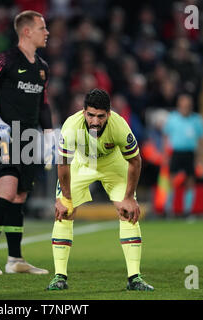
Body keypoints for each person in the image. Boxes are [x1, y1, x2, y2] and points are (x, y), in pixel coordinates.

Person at [47, 88, 154, 291]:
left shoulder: (120, 126)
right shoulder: (71, 127)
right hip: (81, 163)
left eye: (100, 116)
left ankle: (135, 278)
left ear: (109, 114)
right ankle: (59, 277)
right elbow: (62, 164)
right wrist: (65, 198)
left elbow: (135, 161)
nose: (95, 121)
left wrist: (130, 197)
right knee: (65, 211)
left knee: (128, 211)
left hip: (113, 164)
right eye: (91, 115)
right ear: (83, 112)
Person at [0, 10, 53, 275]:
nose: (47, 32)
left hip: (29, 138)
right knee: (7, 193)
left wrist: (50, 134)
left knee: (19, 197)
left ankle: (15, 260)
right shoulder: (5, 59)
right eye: (42, 28)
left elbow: (43, 104)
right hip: (5, 135)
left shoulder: (42, 67)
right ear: (27, 31)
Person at [162, 94, 203, 218]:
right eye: (183, 105)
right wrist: (165, 155)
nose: (185, 107)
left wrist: (200, 157)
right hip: (176, 153)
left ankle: (188, 211)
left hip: (190, 154)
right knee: (171, 181)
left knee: (190, 182)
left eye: (187, 105)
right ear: (179, 105)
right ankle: (168, 209)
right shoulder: (172, 118)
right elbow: (165, 137)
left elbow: (201, 140)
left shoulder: (197, 119)